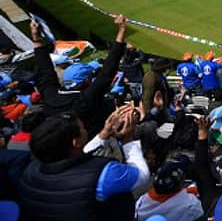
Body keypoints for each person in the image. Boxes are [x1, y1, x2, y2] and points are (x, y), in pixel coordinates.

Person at [18, 105, 150, 221]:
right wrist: (129, 139)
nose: (85, 130)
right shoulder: (102, 175)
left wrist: (104, 134)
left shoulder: (31, 170)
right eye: (82, 128)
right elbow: (142, 175)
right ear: (76, 142)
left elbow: (77, 160)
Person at [32, 15, 128, 136]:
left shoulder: (51, 96)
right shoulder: (85, 99)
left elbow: (45, 71)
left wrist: (36, 40)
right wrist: (122, 31)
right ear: (87, 79)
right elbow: (107, 72)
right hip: (92, 146)